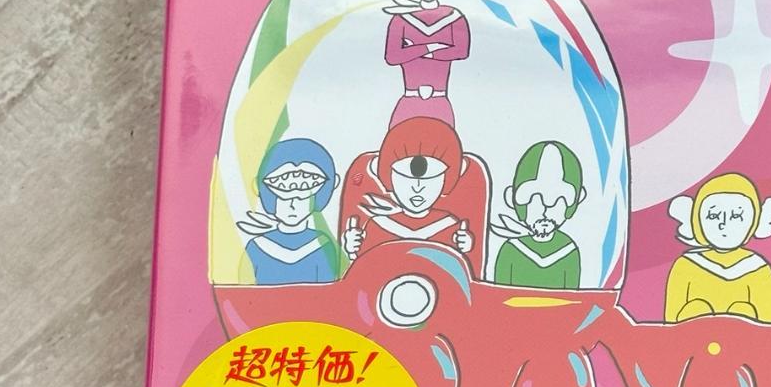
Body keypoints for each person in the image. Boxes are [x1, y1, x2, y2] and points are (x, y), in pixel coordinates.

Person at [341, 116, 479, 270]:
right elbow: (365, 272)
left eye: (431, 178)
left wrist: (465, 250)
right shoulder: (377, 225)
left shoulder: (450, 227)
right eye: (405, 177)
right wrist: (352, 251)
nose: (417, 187)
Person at [383, 0, 478, 129]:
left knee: (444, 145)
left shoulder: (455, 18)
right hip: (409, 99)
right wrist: (432, 47)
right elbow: (392, 56)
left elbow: (460, 51)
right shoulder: (400, 19)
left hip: (439, 99)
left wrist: (413, 49)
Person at [664, 172, 771, 322]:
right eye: (713, 216)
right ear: (697, 220)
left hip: (743, 336)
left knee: (742, 310)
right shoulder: (685, 265)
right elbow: (671, 320)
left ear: (754, 220)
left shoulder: (759, 269)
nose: (724, 224)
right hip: (693, 336)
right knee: (696, 307)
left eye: (736, 216)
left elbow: (768, 323)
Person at [236, 138, 340, 284]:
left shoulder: (322, 245)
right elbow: (244, 290)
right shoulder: (256, 247)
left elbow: (329, 290)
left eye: (302, 197)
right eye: (284, 197)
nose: (293, 205)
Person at [492, 141, 586, 290]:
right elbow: (499, 292)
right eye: (534, 197)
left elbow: (572, 294)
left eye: (558, 199)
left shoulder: (568, 250)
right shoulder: (511, 248)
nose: (545, 208)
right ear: (512, 198)